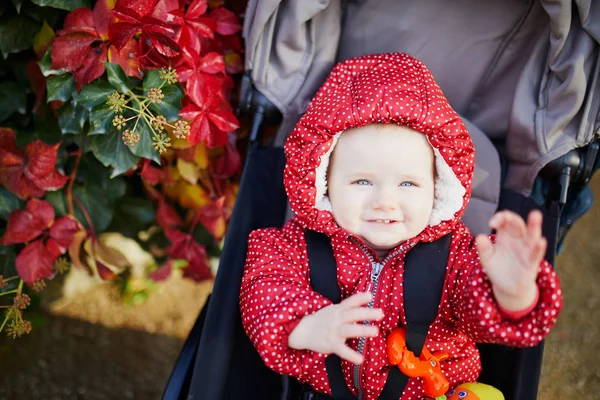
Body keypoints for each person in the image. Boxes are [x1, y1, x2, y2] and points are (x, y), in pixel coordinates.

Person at [239, 53, 563, 400]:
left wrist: (511, 293)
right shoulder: (294, 246)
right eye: (362, 181)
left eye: (407, 184)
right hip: (329, 390)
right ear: (324, 183)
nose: (384, 201)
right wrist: (304, 325)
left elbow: (478, 308)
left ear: (437, 188)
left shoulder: (456, 259)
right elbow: (264, 285)